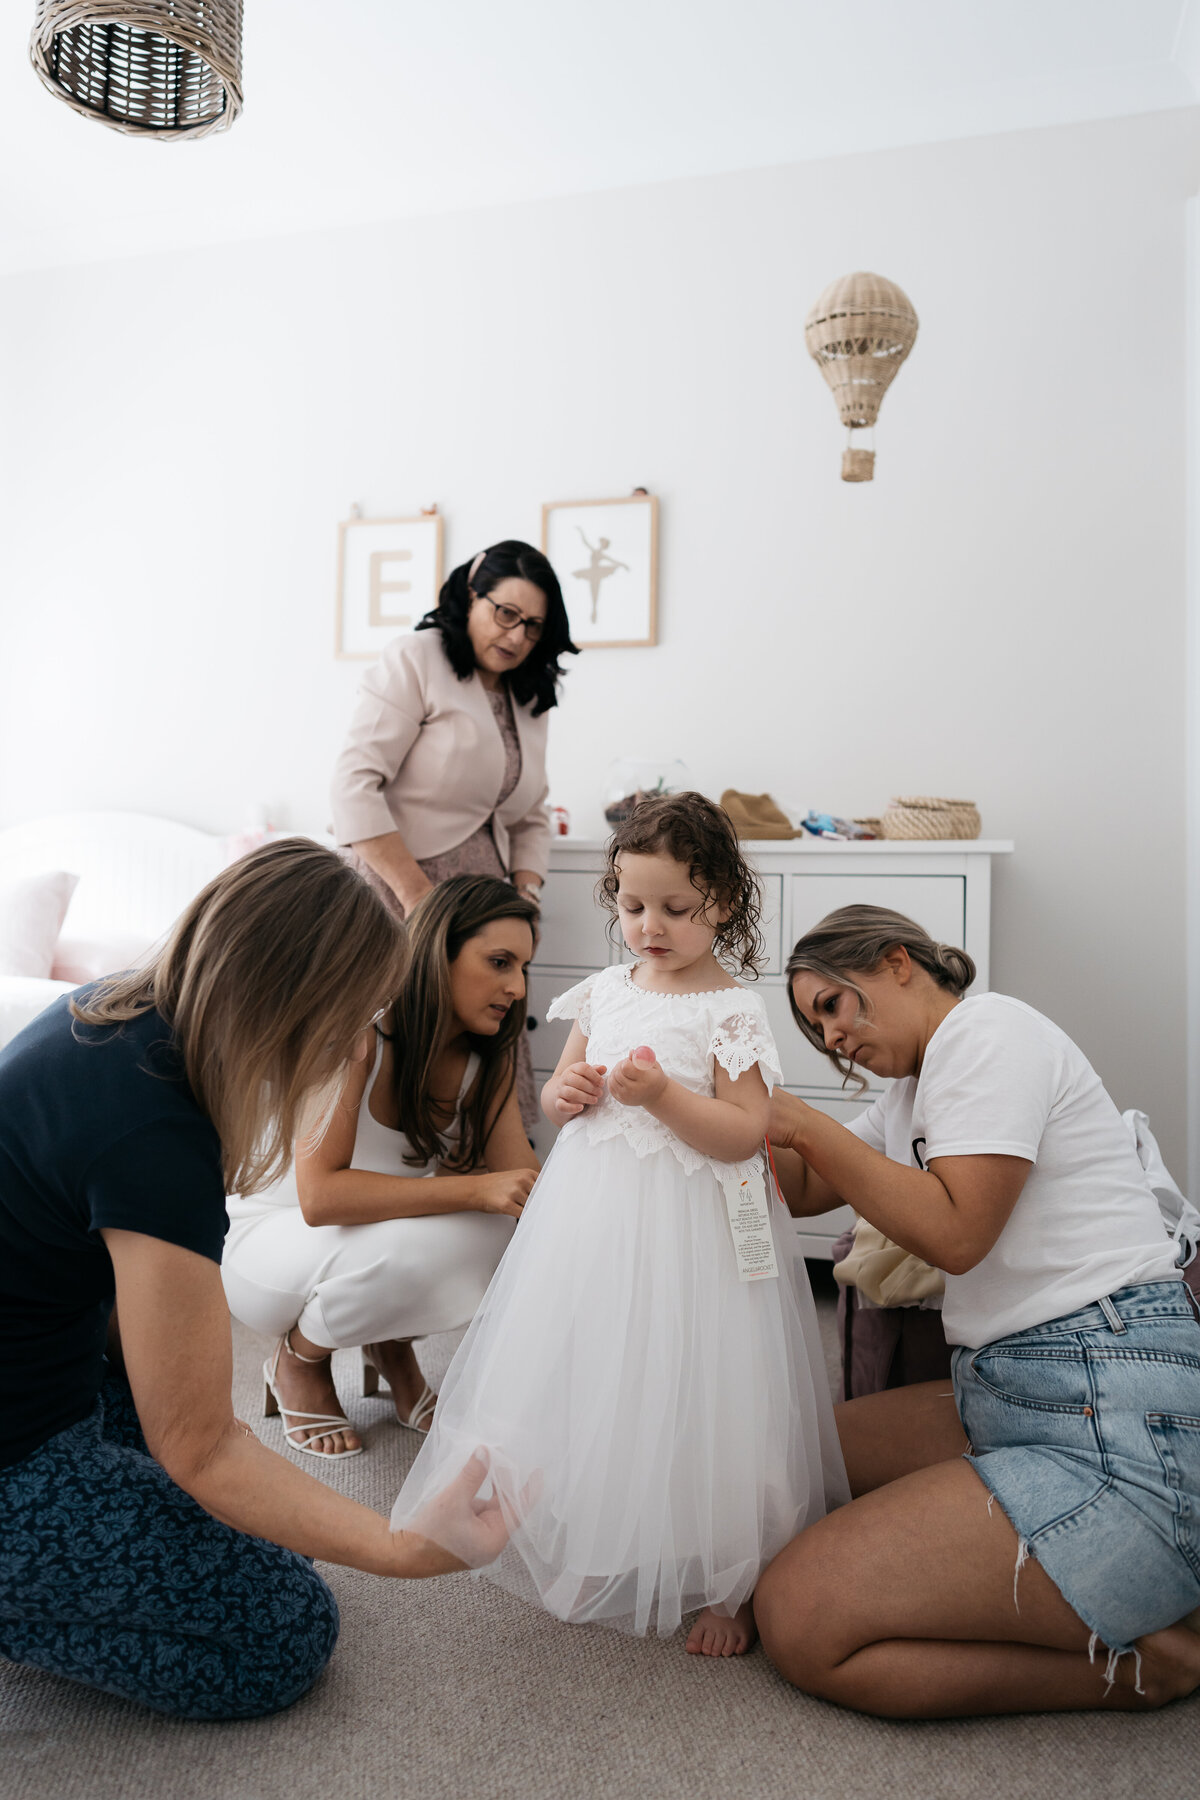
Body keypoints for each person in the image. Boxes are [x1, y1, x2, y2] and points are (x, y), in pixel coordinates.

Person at [0, 842, 513, 1722]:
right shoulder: (152, 1130)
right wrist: (401, 1545)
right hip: (20, 1445)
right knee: (285, 1630)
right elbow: (200, 1446)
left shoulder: (118, 1012)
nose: (359, 1043)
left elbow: (145, 1354)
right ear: (294, 1002)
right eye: (355, 1016)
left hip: (55, 1373)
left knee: (268, 1530)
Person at [390, 793, 848, 1655]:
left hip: (696, 1232)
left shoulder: (731, 1011)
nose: (650, 928)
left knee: (706, 1387)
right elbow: (567, 1099)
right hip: (596, 1220)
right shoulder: (603, 992)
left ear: (722, 903)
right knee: (605, 1372)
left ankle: (730, 1579)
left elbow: (746, 1132)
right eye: (633, 908)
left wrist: (668, 1098)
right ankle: (615, 1532)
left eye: (674, 909)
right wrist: (570, 1095)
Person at [754, 903, 1200, 1717]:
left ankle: (1146, 1666)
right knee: (785, 1454)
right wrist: (716, 1105)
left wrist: (803, 1123)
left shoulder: (988, 1032)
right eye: (814, 1031)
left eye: (829, 1007)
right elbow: (807, 1183)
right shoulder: (911, 1093)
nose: (831, 1041)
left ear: (896, 963)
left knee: (799, 1617)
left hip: (1112, 1415)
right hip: (1012, 1389)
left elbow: (959, 1233)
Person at [221, 875, 540, 1459]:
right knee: (453, 1228)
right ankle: (297, 1360)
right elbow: (320, 1200)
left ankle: (387, 1342)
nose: (516, 987)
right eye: (498, 962)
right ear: (437, 952)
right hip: (271, 1248)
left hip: (366, 1247)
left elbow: (524, 1196)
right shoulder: (354, 1031)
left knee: (506, 1234)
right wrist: (473, 1191)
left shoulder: (483, 1061)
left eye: (522, 968)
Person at [330, 540, 578, 1131]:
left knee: (482, 1043)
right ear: (471, 593)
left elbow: (530, 814)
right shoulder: (415, 659)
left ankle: (487, 1185)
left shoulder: (529, 693)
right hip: (398, 889)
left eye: (534, 626)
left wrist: (527, 897)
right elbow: (351, 788)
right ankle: (387, 1179)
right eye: (506, 613)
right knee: (398, 1044)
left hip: (483, 903)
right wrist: (419, 900)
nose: (517, 637)